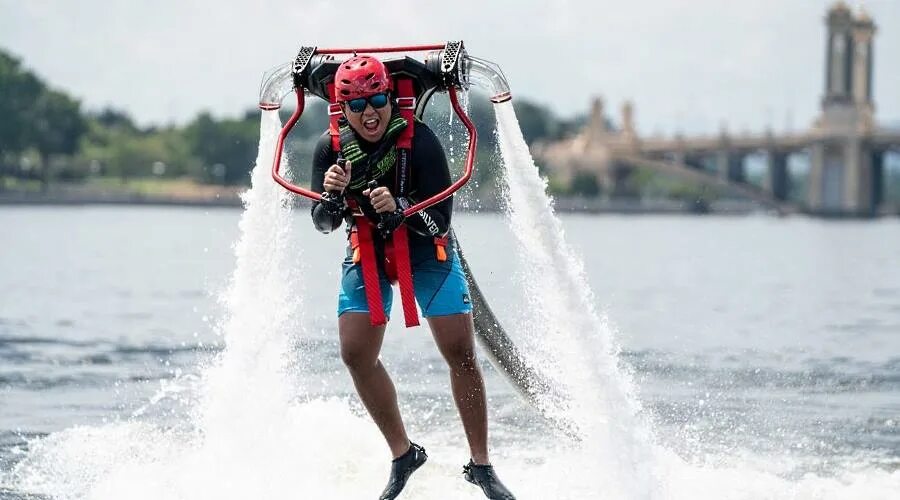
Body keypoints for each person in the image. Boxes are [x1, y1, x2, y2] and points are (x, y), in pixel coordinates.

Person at [309, 54, 516, 500]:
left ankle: (481, 466)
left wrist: (401, 210)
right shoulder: (330, 149)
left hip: (428, 252)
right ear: (342, 110)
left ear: (390, 98)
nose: (370, 113)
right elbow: (323, 224)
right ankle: (403, 454)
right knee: (354, 354)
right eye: (358, 106)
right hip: (366, 253)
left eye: (379, 100)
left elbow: (441, 222)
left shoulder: (420, 144)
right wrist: (331, 198)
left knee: (460, 351)